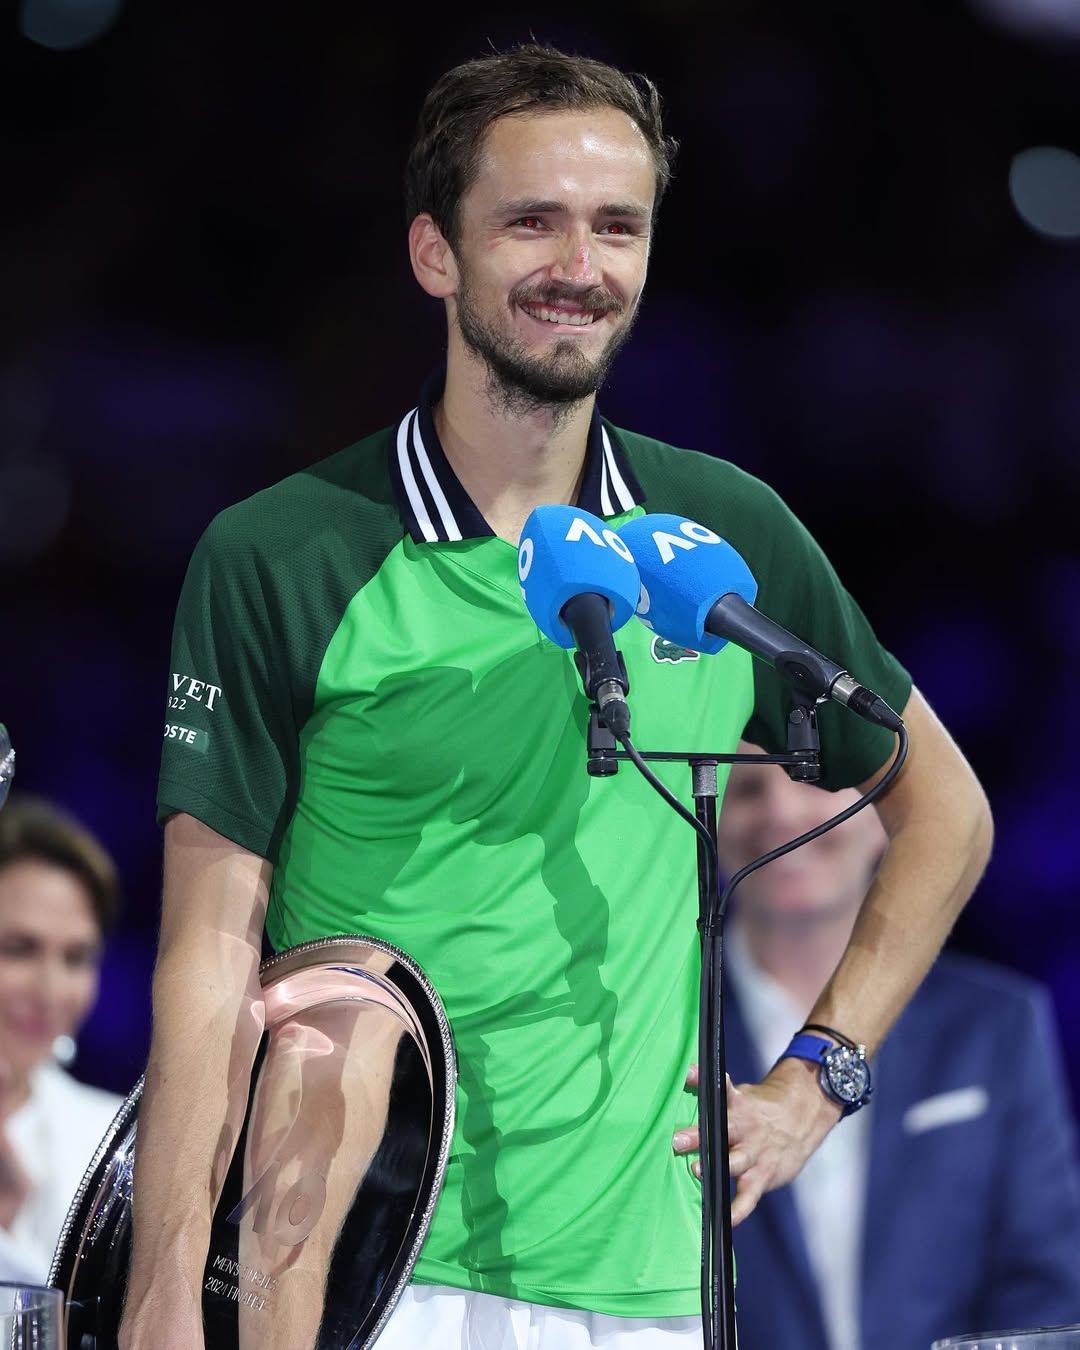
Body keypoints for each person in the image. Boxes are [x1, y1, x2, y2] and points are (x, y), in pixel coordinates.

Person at [121, 44, 993, 1350]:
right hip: (362, 1276)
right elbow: (204, 951)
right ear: (435, 254)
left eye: (616, 226)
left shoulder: (715, 533)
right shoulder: (285, 550)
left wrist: (821, 1075)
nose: (579, 264)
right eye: (531, 220)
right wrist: (162, 1298)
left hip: (650, 1291)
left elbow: (948, 810)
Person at [715, 746, 1080, 1350]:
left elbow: (1045, 1280)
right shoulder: (666, 1031)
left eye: (813, 775)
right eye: (748, 789)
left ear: (892, 818)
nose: (779, 811)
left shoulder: (994, 1025)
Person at [0, 796, 124, 1283]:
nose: (48, 991)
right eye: (18, 949)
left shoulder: (115, 1149)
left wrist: (11, 1223)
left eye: (75, 958)